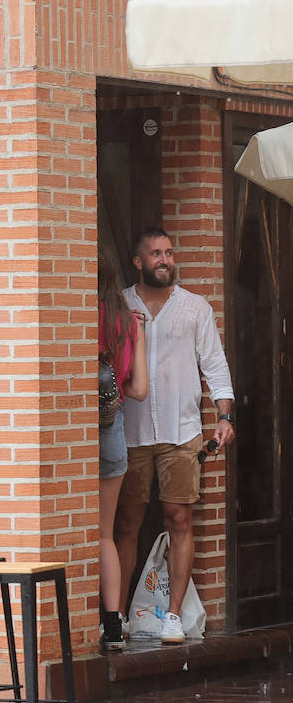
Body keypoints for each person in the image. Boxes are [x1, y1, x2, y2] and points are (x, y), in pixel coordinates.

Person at [114, 227, 235, 646]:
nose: (164, 260)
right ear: (138, 261)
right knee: (126, 522)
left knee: (179, 519)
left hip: (182, 432)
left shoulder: (195, 307)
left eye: (168, 253)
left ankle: (172, 616)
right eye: (155, 254)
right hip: (129, 432)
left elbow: (215, 365)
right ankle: (118, 617)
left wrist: (224, 415)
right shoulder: (121, 304)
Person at [98, 255, 149, 652]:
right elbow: (139, 390)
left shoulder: (77, 317)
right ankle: (113, 625)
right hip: (112, 428)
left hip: (73, 430)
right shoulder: (129, 323)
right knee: (105, 533)